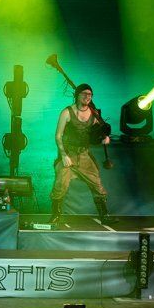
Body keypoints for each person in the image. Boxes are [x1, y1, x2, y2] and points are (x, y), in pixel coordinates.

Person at [49, 83, 114, 225]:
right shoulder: (67, 112)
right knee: (60, 184)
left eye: (90, 94)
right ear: (77, 95)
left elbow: (100, 132)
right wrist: (63, 155)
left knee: (97, 184)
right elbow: (58, 136)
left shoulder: (94, 114)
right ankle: (56, 215)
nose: (87, 96)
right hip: (68, 154)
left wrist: (105, 137)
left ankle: (104, 215)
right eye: (84, 94)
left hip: (84, 155)